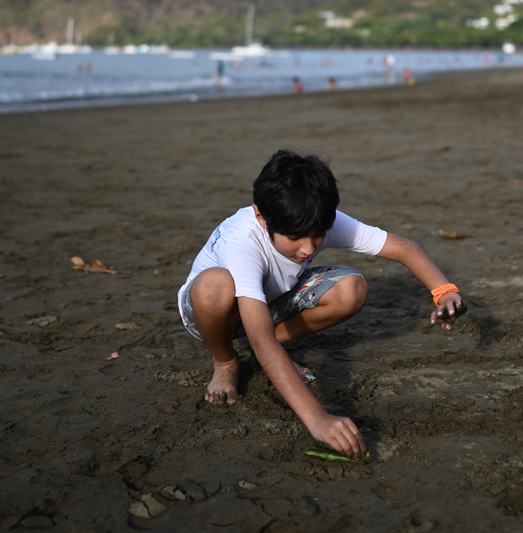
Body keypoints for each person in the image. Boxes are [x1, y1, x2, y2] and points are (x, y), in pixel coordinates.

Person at [177, 149, 466, 459]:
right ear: (261, 216)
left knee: (351, 289)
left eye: (318, 236)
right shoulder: (242, 241)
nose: (307, 247)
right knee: (215, 286)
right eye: (296, 237)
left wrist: (444, 292)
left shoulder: (317, 218)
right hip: (211, 313)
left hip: (271, 302)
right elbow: (261, 341)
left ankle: (269, 351)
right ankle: (225, 360)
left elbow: (404, 248)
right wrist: (318, 418)